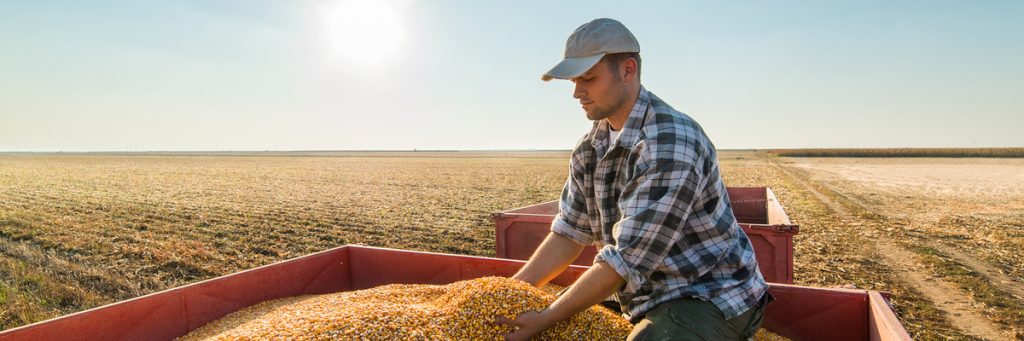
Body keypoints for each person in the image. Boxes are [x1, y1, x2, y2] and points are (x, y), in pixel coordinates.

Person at [497, 18, 771, 341]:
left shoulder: (669, 142)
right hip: (644, 295)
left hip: (709, 293)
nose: (576, 92)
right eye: (573, 80)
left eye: (587, 77)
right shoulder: (589, 148)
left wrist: (542, 319)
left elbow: (623, 263)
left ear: (628, 70)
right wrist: (508, 293)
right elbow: (569, 234)